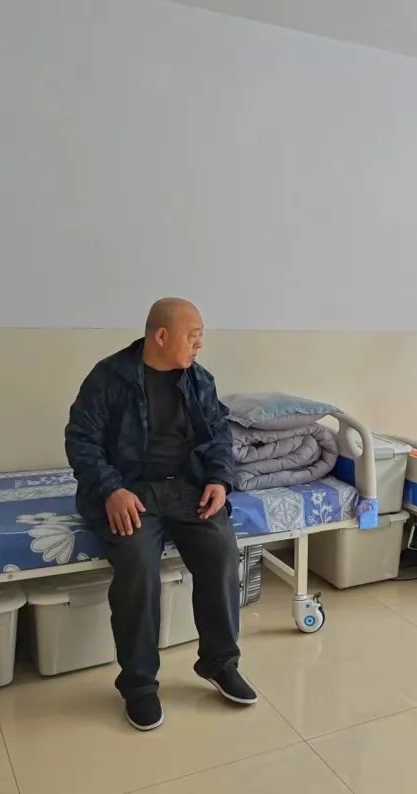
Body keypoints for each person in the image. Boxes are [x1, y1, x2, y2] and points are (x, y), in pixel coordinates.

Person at [65, 297, 257, 732]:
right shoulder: (110, 377)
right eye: (194, 337)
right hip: (130, 490)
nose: (199, 345)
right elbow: (81, 439)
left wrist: (219, 480)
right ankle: (139, 685)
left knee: (222, 552)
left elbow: (219, 437)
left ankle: (220, 663)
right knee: (137, 565)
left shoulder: (199, 380)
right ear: (162, 336)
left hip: (187, 488)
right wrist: (110, 489)